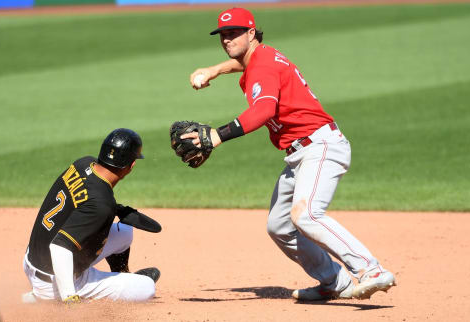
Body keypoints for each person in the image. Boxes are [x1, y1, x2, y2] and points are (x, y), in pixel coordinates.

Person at [187, 7, 396, 300]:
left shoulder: (263, 65)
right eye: (223, 34)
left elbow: (262, 111)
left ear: (251, 33)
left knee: (306, 215)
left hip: (320, 146)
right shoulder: (263, 56)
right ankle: (335, 283)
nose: (226, 39)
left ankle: (370, 270)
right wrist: (214, 70)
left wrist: (217, 135)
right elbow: (243, 64)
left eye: (233, 33)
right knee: (280, 226)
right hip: (299, 152)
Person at [23, 128, 161, 304]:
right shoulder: (101, 206)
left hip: (33, 257)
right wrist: (69, 297)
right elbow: (60, 247)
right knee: (147, 287)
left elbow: (84, 200)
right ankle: (46, 298)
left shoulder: (83, 163)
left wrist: (117, 209)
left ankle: (121, 276)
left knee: (125, 232)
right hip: (57, 279)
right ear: (131, 165)